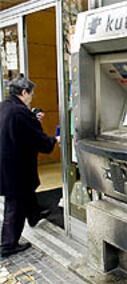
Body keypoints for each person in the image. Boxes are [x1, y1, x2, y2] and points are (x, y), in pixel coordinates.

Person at [0, 75, 58, 258]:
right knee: (14, 204)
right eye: (31, 94)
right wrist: (54, 140)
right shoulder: (20, 112)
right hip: (15, 167)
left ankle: (34, 215)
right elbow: (38, 140)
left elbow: (18, 127)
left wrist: (32, 117)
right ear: (24, 92)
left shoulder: (5, 106)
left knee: (26, 192)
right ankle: (7, 245)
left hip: (6, 162)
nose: (32, 97)